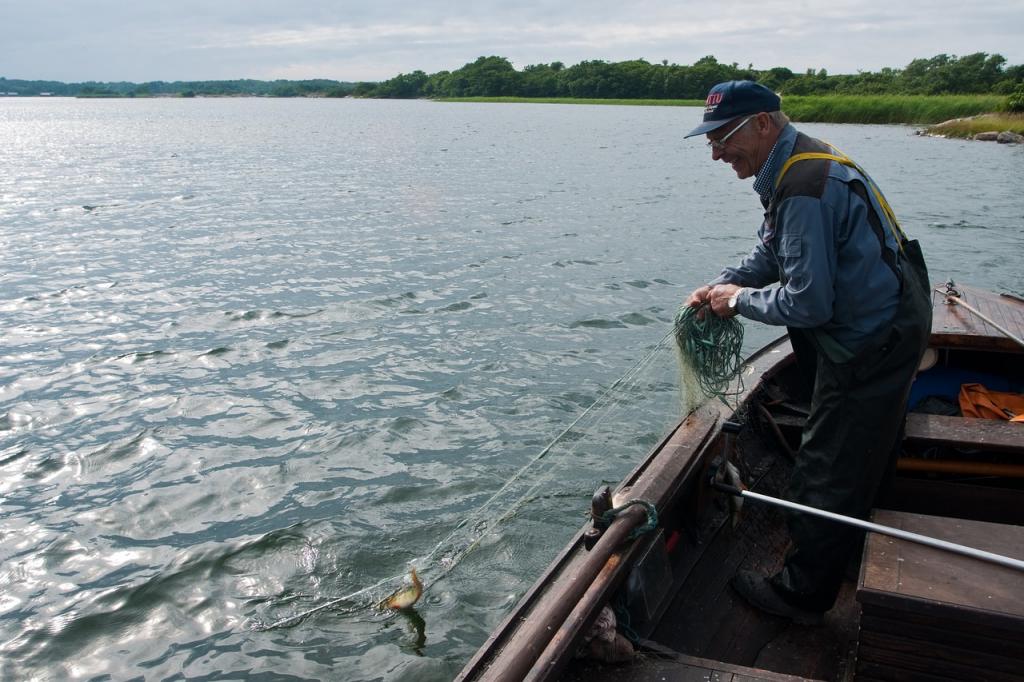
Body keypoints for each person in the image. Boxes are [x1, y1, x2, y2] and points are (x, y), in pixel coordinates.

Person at [683, 80, 932, 623]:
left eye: (723, 136)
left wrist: (738, 301)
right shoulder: (800, 161)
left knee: (827, 461)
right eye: (710, 139)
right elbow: (774, 249)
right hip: (897, 315)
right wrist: (724, 282)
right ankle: (856, 548)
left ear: (765, 124)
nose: (716, 151)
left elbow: (808, 302)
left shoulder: (803, 186)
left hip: (873, 336)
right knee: (869, 445)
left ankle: (803, 594)